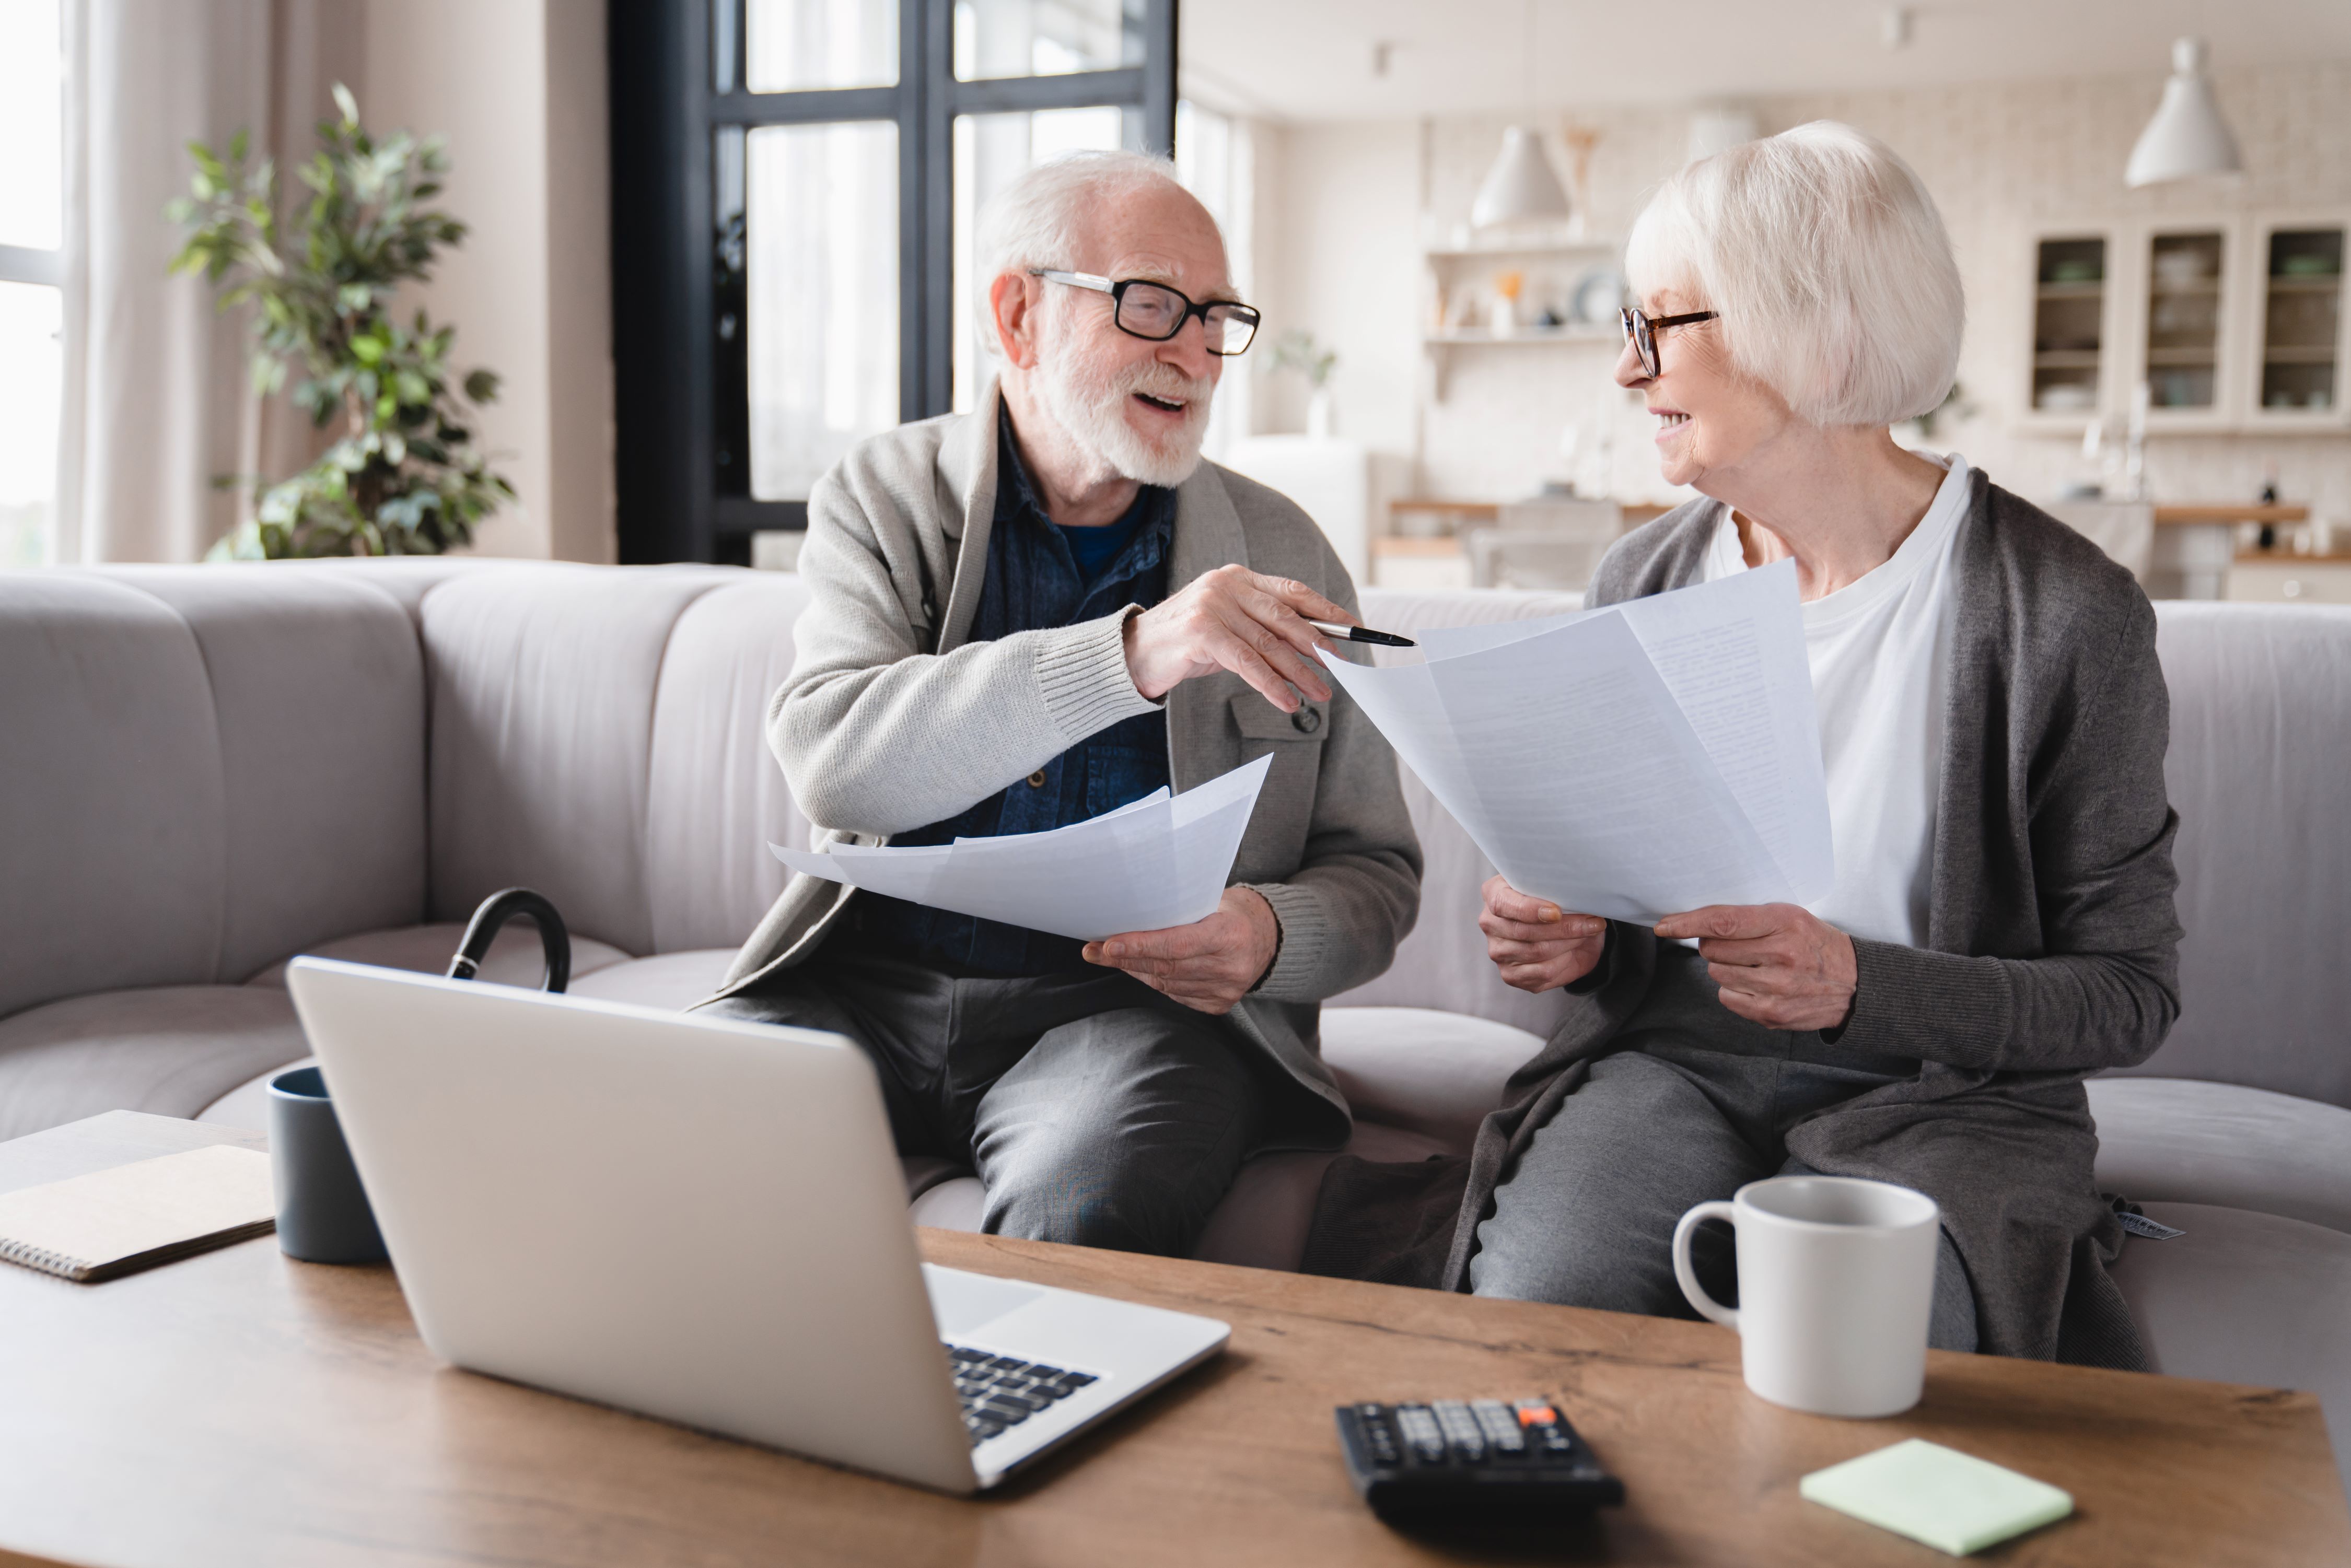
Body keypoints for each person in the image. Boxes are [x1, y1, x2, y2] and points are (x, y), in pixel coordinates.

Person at [1454, 122, 2180, 1367]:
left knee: (1857, 1372)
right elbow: (1621, 922)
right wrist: (1573, 938)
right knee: (1537, 1321)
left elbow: (2129, 995)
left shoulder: (2066, 612)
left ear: (1820, 337)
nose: (1628, 374)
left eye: (1659, 327)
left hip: (1946, 1100)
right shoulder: (1643, 579)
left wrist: (1862, 985)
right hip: (1672, 1069)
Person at [700, 150, 1421, 1259]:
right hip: (861, 990)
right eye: (1151, 305)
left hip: (1126, 1026)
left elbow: (1377, 872)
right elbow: (835, 764)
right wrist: (1133, 653)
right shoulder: (883, 498)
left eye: (1215, 316)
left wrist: (1268, 934)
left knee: (1084, 1205)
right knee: (665, 1129)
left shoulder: (1286, 551)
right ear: (1019, 313)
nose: (1193, 350)